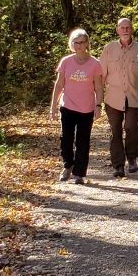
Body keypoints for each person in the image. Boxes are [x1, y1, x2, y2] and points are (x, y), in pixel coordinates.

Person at [99, 16, 138, 179]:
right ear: (117, 30)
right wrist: (98, 99)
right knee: (115, 131)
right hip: (113, 98)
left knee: (131, 127)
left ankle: (132, 157)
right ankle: (118, 165)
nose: (125, 30)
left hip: (134, 97)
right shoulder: (108, 49)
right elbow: (100, 76)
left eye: (128, 28)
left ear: (132, 29)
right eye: (122, 28)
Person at [50, 28, 104, 184]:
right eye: (76, 42)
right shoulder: (66, 61)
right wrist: (53, 106)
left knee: (83, 141)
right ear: (72, 44)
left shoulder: (95, 64)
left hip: (86, 109)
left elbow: (99, 87)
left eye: (82, 42)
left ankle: (79, 173)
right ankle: (68, 164)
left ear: (87, 43)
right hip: (67, 106)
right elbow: (59, 85)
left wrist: (98, 105)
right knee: (65, 139)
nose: (79, 45)